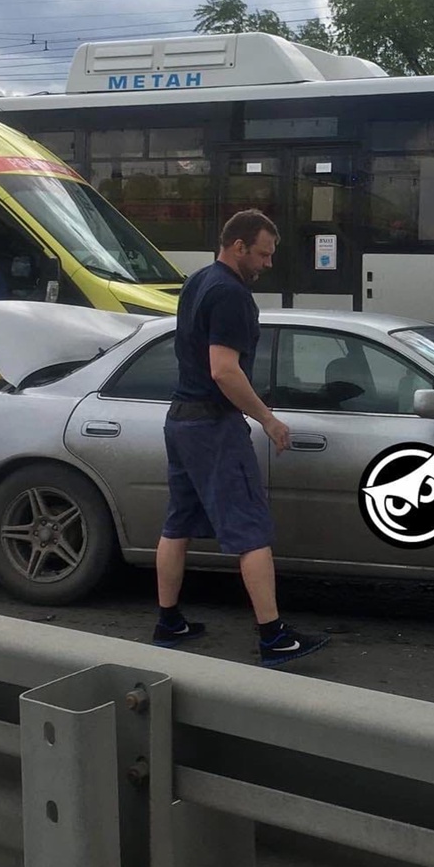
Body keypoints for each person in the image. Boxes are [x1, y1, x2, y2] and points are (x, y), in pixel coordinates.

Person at [153, 208, 329, 667]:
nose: (267, 264)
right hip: (213, 424)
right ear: (238, 247)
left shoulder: (197, 281)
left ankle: (168, 621)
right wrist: (268, 420)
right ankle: (273, 636)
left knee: (177, 525)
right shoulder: (231, 294)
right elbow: (224, 369)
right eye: (263, 254)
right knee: (250, 528)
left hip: (180, 419)